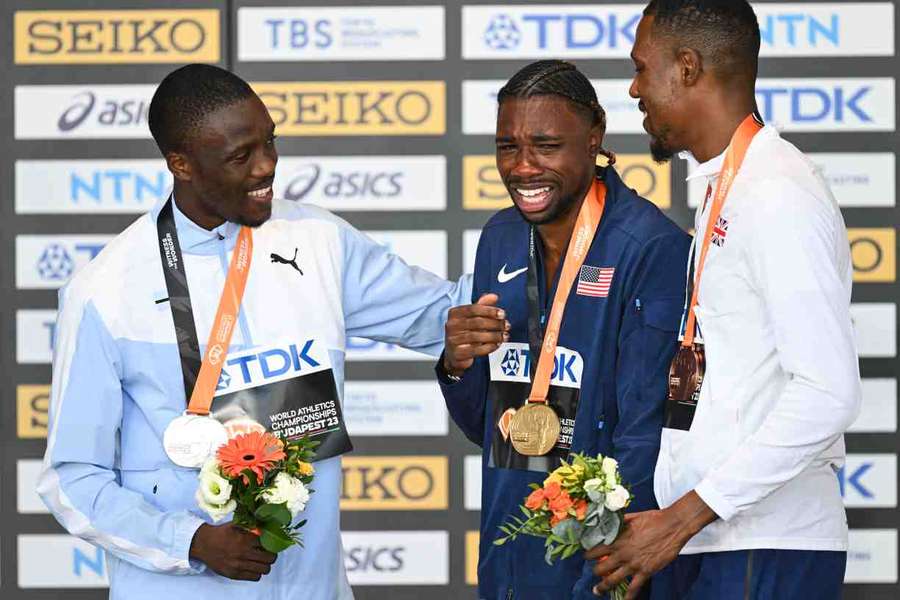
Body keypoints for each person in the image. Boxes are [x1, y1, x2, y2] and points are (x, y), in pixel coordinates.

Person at [37, 63, 471, 600]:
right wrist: (191, 540)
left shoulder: (318, 240)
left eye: (271, 143)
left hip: (312, 588)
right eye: (241, 156)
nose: (266, 167)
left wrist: (547, 240)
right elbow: (73, 479)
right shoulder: (103, 290)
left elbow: (448, 317)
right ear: (181, 164)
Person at [587, 2, 861, 599]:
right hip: (716, 539)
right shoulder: (728, 187)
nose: (634, 89)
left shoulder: (777, 193)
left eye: (641, 68)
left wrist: (683, 518)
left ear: (687, 67)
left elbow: (828, 392)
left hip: (764, 543)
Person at [437, 60, 691, 599]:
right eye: (507, 146)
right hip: (511, 551)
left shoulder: (647, 246)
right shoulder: (500, 237)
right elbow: (488, 426)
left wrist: (601, 579)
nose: (523, 167)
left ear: (594, 136)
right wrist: (456, 365)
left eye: (546, 145)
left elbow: (648, 433)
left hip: (602, 561)